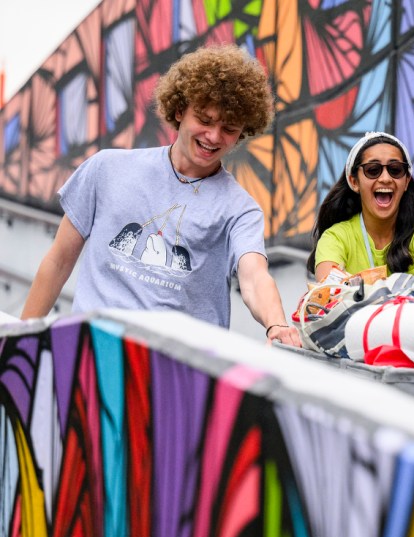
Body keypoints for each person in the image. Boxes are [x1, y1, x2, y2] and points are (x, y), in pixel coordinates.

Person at [20, 44, 302, 347]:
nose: (214, 136)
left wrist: (276, 324)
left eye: (229, 128)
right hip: (92, 357)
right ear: (179, 110)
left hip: (177, 375)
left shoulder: (240, 209)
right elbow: (58, 262)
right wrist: (18, 343)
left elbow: (254, 277)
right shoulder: (106, 168)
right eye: (205, 120)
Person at [308, 132, 414, 300]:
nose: (385, 178)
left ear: (406, 181)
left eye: (395, 170)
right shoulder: (335, 238)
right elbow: (327, 299)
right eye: (373, 170)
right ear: (354, 181)